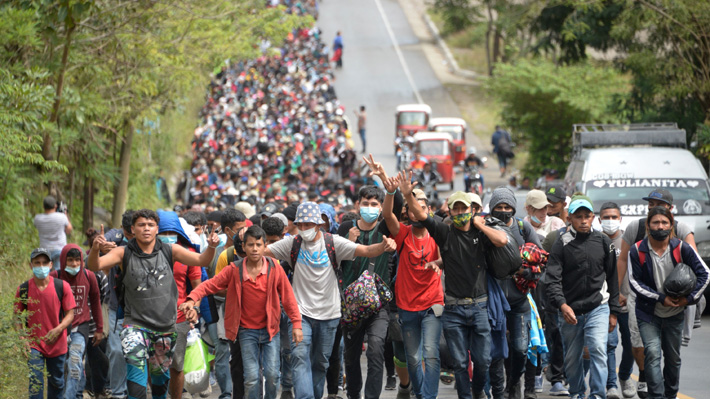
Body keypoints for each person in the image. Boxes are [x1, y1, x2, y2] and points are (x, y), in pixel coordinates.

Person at [262, 202, 396, 399]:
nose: (305, 228)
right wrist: (248, 240)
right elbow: (262, 251)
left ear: (318, 224)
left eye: (309, 224)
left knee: (320, 363)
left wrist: (384, 247)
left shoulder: (333, 242)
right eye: (302, 224)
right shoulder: (293, 243)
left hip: (330, 315)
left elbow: (366, 251)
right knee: (299, 358)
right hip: (300, 314)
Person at [87, 209, 219, 399]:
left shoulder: (170, 250)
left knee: (159, 386)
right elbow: (94, 266)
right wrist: (95, 249)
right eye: (141, 225)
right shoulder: (122, 252)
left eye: (150, 225)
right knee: (137, 388)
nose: (146, 229)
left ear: (157, 229)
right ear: (133, 229)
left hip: (165, 328)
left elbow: (201, 259)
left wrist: (212, 247)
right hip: (135, 326)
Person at [402, 173, 508, 399]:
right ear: (449, 212)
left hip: (480, 306)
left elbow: (502, 241)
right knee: (459, 364)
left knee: (483, 361)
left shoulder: (482, 232)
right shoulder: (444, 232)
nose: (460, 214)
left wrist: (481, 225)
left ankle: (478, 390)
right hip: (453, 309)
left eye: (464, 209)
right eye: (456, 210)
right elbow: (421, 214)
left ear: (472, 210)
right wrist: (406, 194)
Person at [180, 226, 304, 399]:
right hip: (246, 332)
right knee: (251, 378)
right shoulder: (234, 269)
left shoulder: (274, 268)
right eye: (250, 245)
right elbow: (210, 284)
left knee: (272, 376)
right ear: (244, 247)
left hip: (271, 330)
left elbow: (288, 298)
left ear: (265, 246)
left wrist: (297, 324)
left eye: (258, 245)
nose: (254, 249)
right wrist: (192, 298)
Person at [616, 189, 696, 398]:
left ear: (671, 212)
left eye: (659, 204)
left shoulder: (682, 232)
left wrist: (690, 298)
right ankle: (647, 380)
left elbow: (695, 269)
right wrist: (618, 291)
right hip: (643, 301)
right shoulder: (636, 231)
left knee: (672, 357)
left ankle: (666, 392)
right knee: (644, 349)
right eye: (650, 204)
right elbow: (623, 260)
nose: (654, 208)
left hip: (675, 306)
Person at [628, 206, 709, 399]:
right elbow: (634, 282)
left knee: (673, 359)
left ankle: (671, 395)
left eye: (664, 222)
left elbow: (705, 274)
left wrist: (688, 299)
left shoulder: (682, 248)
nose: (660, 226)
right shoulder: (637, 250)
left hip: (675, 315)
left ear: (671, 225)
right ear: (648, 226)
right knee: (653, 354)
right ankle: (657, 396)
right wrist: (660, 297)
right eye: (655, 222)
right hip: (648, 314)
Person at [546, 195, 621, 399]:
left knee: (598, 349)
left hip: (598, 307)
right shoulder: (561, 243)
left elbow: (613, 278)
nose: (584, 220)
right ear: (570, 219)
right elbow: (552, 279)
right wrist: (562, 305)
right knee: (572, 358)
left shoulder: (603, 241)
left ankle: (597, 394)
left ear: (593, 217)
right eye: (578, 217)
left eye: (587, 216)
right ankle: (577, 393)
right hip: (569, 311)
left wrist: (614, 311)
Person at [380, 172, 444, 399]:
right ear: (406, 212)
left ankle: (428, 397)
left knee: (431, 354)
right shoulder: (403, 234)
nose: (416, 212)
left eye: (421, 207)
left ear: (429, 212)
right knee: (414, 358)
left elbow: (452, 255)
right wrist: (390, 191)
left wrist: (439, 262)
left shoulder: (438, 233)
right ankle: (420, 394)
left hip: (432, 305)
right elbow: (387, 215)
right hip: (407, 307)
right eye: (410, 207)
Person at [335, 184, 395, 399]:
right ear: (358, 205)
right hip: (350, 304)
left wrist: (389, 188)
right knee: (350, 357)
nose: (369, 207)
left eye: (374, 204)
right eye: (366, 203)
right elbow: (334, 262)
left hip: (379, 304)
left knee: (376, 349)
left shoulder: (386, 229)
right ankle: (353, 394)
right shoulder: (345, 229)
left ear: (380, 208)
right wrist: (348, 242)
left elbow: (395, 210)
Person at [485, 187, 541, 399]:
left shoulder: (522, 227)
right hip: (494, 301)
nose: (503, 210)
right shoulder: (487, 228)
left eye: (507, 206)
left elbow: (541, 260)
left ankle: (514, 383)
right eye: (498, 207)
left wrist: (527, 272)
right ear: (492, 209)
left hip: (519, 300)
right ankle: (499, 391)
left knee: (520, 349)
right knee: (496, 352)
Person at [15, 248, 76, 399]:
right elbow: (16, 317)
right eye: (37, 263)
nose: (40, 266)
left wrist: (59, 328)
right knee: (35, 382)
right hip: (34, 344)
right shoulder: (24, 289)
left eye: (44, 263)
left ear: (50, 265)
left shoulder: (62, 286)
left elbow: (70, 314)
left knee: (56, 382)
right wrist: (22, 340)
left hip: (57, 343)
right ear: (31, 265)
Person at [51, 244, 104, 399]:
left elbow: (95, 302)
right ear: (63, 261)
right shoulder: (55, 277)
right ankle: (78, 393)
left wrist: (99, 329)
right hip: (59, 328)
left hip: (81, 327)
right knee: (65, 365)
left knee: (74, 361)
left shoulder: (89, 276)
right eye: (70, 260)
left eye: (77, 260)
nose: (74, 264)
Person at [598, 202, 627, 399]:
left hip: (627, 301)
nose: (610, 221)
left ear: (620, 219)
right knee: (609, 344)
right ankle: (610, 385)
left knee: (633, 343)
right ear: (599, 220)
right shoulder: (595, 240)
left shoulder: (628, 240)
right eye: (606, 218)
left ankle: (625, 376)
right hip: (604, 301)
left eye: (613, 217)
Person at [34, 195, 73, 270]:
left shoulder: (38, 218)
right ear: (55, 206)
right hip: (59, 248)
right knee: (58, 273)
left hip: (44, 249)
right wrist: (65, 215)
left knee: (46, 273)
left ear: (43, 206)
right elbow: (69, 230)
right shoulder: (61, 217)